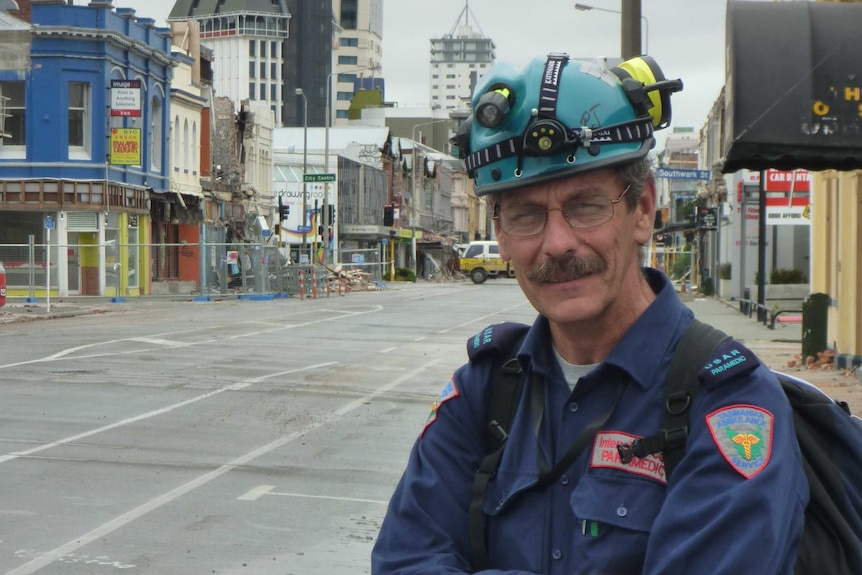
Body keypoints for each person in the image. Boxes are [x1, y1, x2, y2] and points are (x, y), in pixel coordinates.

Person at [371, 53, 808, 574]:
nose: (557, 244)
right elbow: (404, 560)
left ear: (643, 209)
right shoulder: (482, 396)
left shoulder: (730, 405)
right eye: (526, 214)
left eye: (585, 206)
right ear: (502, 234)